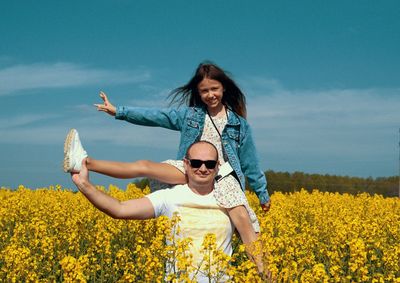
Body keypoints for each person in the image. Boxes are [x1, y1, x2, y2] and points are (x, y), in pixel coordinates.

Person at [64, 61, 270, 256]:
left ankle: (265, 274)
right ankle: (84, 162)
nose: (210, 95)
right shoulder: (190, 116)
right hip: (191, 167)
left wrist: (262, 193)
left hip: (223, 175)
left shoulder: (239, 125)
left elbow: (251, 162)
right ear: (198, 93)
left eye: (214, 89)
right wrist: (119, 111)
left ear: (224, 88)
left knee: (247, 229)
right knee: (144, 166)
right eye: (204, 91)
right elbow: (156, 116)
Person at [70, 141, 264, 282]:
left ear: (217, 168)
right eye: (196, 163)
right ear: (185, 164)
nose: (203, 168)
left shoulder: (230, 200)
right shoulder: (169, 197)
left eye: (209, 164)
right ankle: (85, 161)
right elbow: (119, 209)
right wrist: (86, 186)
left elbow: (253, 245)